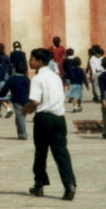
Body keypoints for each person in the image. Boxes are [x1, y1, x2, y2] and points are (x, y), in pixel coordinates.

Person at [24, 47, 75, 201]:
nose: (30, 61)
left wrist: (26, 110)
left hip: (44, 118)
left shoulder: (37, 79)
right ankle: (69, 184)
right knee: (61, 153)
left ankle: (39, 184)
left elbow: (35, 101)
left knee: (41, 153)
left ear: (39, 62)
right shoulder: (55, 77)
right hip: (59, 119)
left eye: (32, 59)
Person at [0, 64, 31, 140]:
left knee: (20, 116)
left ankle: (23, 134)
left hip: (17, 100)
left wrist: (1, 94)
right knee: (20, 116)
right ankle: (20, 132)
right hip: (26, 100)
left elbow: (5, 88)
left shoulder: (12, 79)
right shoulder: (26, 79)